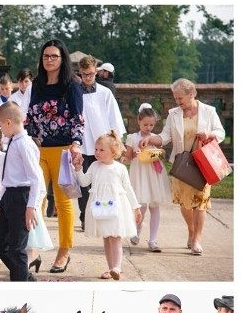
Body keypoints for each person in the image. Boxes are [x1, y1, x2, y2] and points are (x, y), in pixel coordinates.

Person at [139, 78, 226, 256]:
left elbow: (221, 133)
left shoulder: (209, 111)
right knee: (186, 204)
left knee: (200, 203)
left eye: (180, 98)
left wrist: (209, 133)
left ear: (191, 94)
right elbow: (164, 137)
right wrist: (150, 139)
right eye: (176, 98)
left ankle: (196, 240)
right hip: (181, 164)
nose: (177, 102)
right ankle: (191, 230)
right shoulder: (174, 114)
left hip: (203, 163)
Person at [25, 38, 84, 273]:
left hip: (63, 149)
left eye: (54, 56)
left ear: (62, 59)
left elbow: (78, 119)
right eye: (46, 56)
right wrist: (27, 143)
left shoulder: (72, 85)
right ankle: (34, 249)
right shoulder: (37, 84)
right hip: (38, 148)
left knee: (63, 202)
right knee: (34, 199)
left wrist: (76, 145)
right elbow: (29, 117)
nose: (49, 60)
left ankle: (64, 250)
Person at [72, 131, 142, 280]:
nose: (97, 152)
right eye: (96, 149)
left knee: (115, 236)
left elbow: (128, 188)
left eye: (101, 150)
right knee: (106, 238)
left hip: (116, 207)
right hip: (99, 207)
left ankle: (117, 267)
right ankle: (111, 269)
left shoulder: (120, 168)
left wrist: (135, 206)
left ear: (113, 152)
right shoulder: (94, 166)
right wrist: (78, 169)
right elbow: (84, 182)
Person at [0, 101, 45, 282]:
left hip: (22, 197)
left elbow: (36, 178)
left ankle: (20, 282)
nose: (1, 130)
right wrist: (1, 203)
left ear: (8, 122)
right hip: (9, 197)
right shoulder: (13, 141)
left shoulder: (25, 144)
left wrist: (31, 206)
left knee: (17, 248)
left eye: (0, 125)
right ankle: (25, 276)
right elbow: (9, 177)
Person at [75, 56, 125, 232]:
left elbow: (114, 118)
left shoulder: (105, 93)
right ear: (80, 73)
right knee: (83, 183)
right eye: (84, 74)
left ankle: (104, 212)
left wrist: (117, 141)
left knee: (102, 181)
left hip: (102, 145)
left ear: (96, 71)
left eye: (90, 74)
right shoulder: (75, 92)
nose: (88, 77)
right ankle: (84, 217)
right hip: (82, 144)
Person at [124, 103, 172, 252]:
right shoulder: (132, 138)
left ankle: (153, 240)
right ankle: (136, 231)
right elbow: (128, 156)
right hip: (139, 174)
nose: (148, 128)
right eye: (145, 124)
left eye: (151, 125)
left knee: (155, 206)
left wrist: (158, 154)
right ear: (138, 121)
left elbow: (162, 153)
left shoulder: (155, 138)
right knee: (141, 206)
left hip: (154, 174)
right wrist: (134, 155)